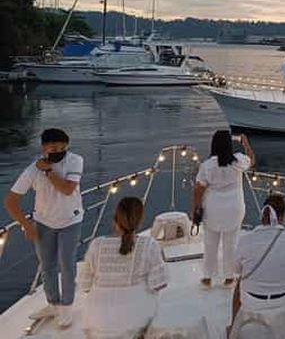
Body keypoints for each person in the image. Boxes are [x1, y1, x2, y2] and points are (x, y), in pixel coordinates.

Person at [4, 128, 84, 327]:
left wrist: (48, 170)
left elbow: (67, 189)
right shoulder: (32, 170)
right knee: (47, 267)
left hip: (70, 221)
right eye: (54, 149)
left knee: (67, 265)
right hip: (43, 223)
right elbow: (10, 201)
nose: (59, 152)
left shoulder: (75, 161)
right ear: (44, 148)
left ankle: (67, 307)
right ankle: (53, 304)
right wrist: (26, 226)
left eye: (62, 148)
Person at [80, 197, 168, 338]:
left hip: (97, 321)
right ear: (139, 221)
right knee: (151, 299)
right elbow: (158, 284)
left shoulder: (97, 244)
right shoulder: (149, 245)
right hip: (134, 320)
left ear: (115, 219)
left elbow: (85, 286)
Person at [229, 195, 285, 339]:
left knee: (240, 282)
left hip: (250, 301)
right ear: (282, 216)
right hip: (280, 302)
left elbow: (235, 269)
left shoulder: (246, 239)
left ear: (262, 215)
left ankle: (234, 327)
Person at [192, 130, 255, 288]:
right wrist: (246, 143)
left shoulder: (207, 166)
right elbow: (252, 159)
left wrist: (195, 209)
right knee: (231, 243)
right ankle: (229, 278)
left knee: (210, 243)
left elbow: (198, 189)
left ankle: (207, 278)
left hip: (213, 209)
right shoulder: (239, 161)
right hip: (234, 208)